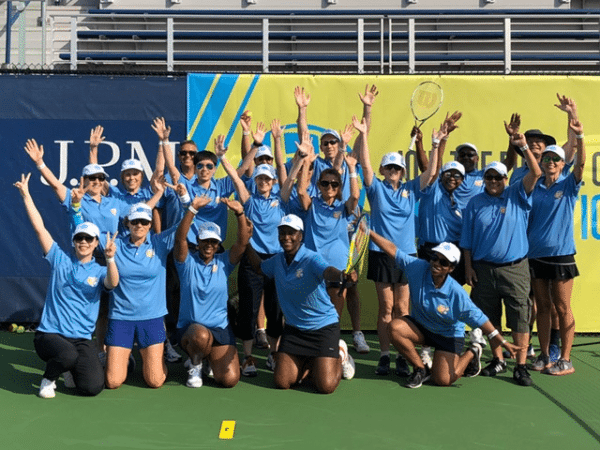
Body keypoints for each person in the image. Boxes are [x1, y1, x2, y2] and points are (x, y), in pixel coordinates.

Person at [368, 231, 521, 388]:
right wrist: (369, 232)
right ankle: (420, 369)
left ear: (451, 268)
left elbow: (479, 317)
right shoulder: (417, 267)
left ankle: (473, 351)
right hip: (422, 328)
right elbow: (393, 250)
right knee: (394, 328)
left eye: (443, 262)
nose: (436, 264)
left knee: (443, 380)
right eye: (435, 258)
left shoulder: (456, 293)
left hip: (448, 335)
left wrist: (502, 341)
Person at [355, 114, 446, 376]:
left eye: (397, 169)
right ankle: (384, 355)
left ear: (402, 172)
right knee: (386, 309)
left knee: (403, 309)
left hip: (407, 256)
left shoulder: (411, 188)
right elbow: (365, 164)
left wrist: (435, 145)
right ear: (383, 171)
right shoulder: (375, 189)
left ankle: (402, 355)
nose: (394, 172)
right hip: (380, 255)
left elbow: (431, 173)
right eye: (389, 168)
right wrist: (364, 134)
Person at [14, 173, 119, 398]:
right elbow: (39, 228)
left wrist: (110, 259)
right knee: (67, 355)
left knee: (92, 388)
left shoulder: (100, 271)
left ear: (95, 244)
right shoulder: (59, 259)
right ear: (74, 241)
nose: (83, 242)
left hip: (81, 339)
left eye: (88, 239)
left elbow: (112, 282)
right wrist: (26, 195)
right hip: (50, 335)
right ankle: (48, 378)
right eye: (79, 238)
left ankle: (67, 368)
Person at [461, 131, 542, 387]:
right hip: (483, 270)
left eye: (498, 177)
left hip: (515, 268)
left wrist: (522, 146)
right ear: (483, 179)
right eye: (489, 177)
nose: (494, 181)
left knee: (519, 317)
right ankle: (497, 359)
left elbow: (537, 173)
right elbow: (467, 241)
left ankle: (519, 365)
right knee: (490, 318)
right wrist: (469, 268)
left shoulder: (518, 194)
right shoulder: (475, 203)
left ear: (506, 179)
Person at [246, 214, 358, 394]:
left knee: (326, 386)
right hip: (294, 330)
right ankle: (313, 362)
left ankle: (340, 354)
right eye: (282, 233)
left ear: (301, 236)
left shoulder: (311, 258)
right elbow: (259, 268)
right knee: (282, 381)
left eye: (291, 233)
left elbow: (327, 271)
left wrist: (341, 275)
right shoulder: (277, 261)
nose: (286, 237)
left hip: (323, 328)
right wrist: (246, 243)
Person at [214, 135, 285, 377]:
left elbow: (290, 173)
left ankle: (274, 354)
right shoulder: (249, 200)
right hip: (251, 261)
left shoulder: (281, 200)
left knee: (276, 311)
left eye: (267, 179)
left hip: (277, 262)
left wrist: (299, 158)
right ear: (256, 181)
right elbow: (235, 177)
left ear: (273, 181)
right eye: (260, 178)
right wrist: (222, 157)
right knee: (248, 310)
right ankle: (248, 357)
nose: (263, 182)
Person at [174, 195, 252, 388]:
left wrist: (240, 213)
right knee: (200, 337)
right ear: (198, 242)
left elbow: (242, 244)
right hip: (192, 330)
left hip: (219, 329)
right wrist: (192, 209)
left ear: (218, 245)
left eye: (213, 242)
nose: (209, 245)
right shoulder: (186, 262)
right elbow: (179, 238)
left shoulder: (224, 262)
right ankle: (195, 364)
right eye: (205, 241)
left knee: (229, 380)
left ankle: (207, 357)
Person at [528, 118, 585, 376]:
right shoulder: (534, 187)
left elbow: (581, 164)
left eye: (555, 160)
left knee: (562, 308)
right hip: (535, 256)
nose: (550, 162)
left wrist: (580, 136)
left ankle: (565, 358)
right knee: (542, 306)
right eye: (547, 159)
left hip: (561, 256)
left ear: (563, 164)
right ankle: (544, 355)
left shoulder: (568, 185)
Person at [103, 193, 178, 390]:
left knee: (155, 381)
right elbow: (82, 234)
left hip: (152, 318)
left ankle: (154, 359)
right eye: (135, 221)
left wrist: (190, 205)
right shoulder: (115, 244)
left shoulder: (160, 243)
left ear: (150, 224)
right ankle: (128, 360)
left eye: (144, 222)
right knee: (112, 382)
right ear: (127, 223)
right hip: (121, 318)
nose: (139, 225)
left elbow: (184, 227)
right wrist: (76, 207)